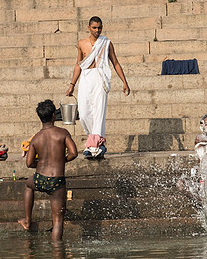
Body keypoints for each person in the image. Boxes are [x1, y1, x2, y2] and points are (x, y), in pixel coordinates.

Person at [65, 16, 130, 158]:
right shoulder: (82, 43)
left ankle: (96, 145)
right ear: (88, 27)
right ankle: (92, 140)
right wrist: (72, 85)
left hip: (100, 78)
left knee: (99, 112)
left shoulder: (106, 43)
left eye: (99, 27)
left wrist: (124, 82)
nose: (97, 30)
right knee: (84, 113)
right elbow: (78, 64)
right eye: (94, 27)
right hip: (86, 79)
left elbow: (116, 63)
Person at [18, 100, 78, 241]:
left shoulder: (36, 138)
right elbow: (74, 153)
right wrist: (61, 160)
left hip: (40, 179)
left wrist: (41, 164)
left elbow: (29, 163)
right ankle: (57, 251)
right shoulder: (62, 133)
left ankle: (27, 221)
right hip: (56, 181)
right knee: (57, 221)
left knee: (28, 184)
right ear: (53, 116)